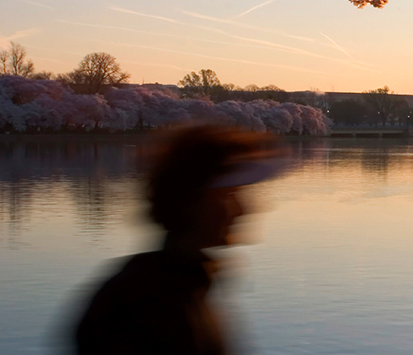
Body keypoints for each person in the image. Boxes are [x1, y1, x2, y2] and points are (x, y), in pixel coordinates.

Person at [74, 125, 283, 355]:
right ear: (189, 201)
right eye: (228, 194)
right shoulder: (149, 303)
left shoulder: (182, 285)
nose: (244, 209)